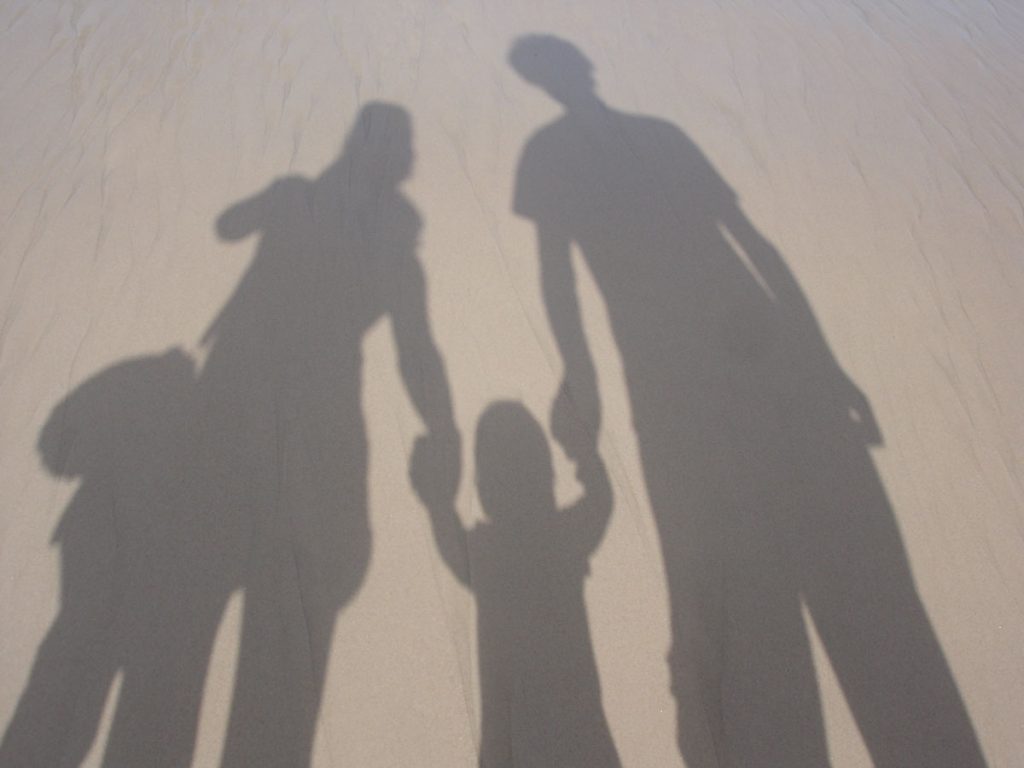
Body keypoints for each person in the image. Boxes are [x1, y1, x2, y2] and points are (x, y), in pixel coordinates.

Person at [510, 34, 986, 767]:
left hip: (770, 375)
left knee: (866, 596)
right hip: (680, 396)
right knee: (749, 622)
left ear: (581, 68)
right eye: (548, 68)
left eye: (562, 63)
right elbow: (558, 280)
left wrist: (824, 365)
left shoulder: (657, 137)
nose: (564, 74)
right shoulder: (553, 156)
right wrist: (582, 381)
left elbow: (750, 245)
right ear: (543, 79)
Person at [204, 101, 460, 767]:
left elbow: (228, 225)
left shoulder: (319, 208)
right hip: (305, 416)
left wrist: (281, 202)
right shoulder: (388, 243)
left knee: (247, 609)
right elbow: (416, 350)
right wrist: (444, 428)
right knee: (292, 613)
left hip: (255, 406)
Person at [412, 401, 619, 767]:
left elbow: (452, 550)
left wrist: (437, 504)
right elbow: (602, 501)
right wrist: (583, 450)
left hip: (507, 731)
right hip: (582, 727)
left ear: (482, 486)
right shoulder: (566, 535)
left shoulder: (484, 549)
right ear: (550, 477)